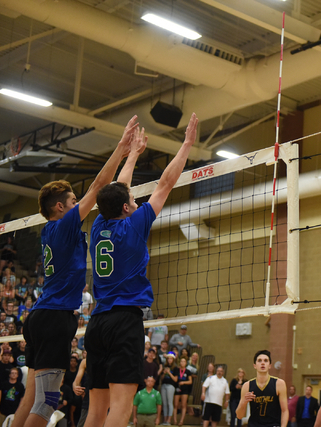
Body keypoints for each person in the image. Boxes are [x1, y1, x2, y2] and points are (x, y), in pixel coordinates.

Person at [12, 115, 140, 427]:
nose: (77, 204)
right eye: (72, 201)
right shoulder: (64, 225)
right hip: (55, 317)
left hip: (39, 317)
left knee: (31, 398)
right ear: (60, 207)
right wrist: (121, 148)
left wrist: (133, 156)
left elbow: (114, 192)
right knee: (46, 404)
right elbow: (100, 187)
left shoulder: (49, 232)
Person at [84, 113, 199, 427]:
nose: (135, 201)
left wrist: (133, 154)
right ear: (126, 208)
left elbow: (118, 190)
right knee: (120, 410)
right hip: (124, 322)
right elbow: (165, 183)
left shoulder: (97, 226)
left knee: (95, 412)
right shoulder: (134, 226)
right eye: (133, 200)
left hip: (96, 324)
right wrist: (187, 144)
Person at [236, 350, 288, 427]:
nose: (262, 363)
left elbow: (285, 410)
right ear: (255, 365)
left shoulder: (279, 383)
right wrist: (244, 402)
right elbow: (239, 416)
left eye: (266, 361)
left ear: (270, 365)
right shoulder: (247, 385)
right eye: (259, 361)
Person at [160, 353, 178, 426]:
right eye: (168, 358)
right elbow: (161, 379)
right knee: (164, 403)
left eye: (171, 358)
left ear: (173, 360)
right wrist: (164, 373)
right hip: (164, 385)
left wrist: (169, 373)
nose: (169, 360)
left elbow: (175, 379)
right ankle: (164, 420)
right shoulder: (165, 366)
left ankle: (169, 420)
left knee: (169, 403)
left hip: (171, 386)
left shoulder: (175, 368)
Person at [173, 358, 193, 426]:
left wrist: (184, 382)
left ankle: (181, 421)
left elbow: (190, 381)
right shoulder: (177, 370)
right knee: (175, 405)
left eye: (184, 361)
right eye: (181, 361)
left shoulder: (188, 371)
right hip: (177, 388)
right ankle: (175, 420)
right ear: (180, 362)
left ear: (186, 363)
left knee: (183, 405)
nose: (182, 362)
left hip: (185, 389)